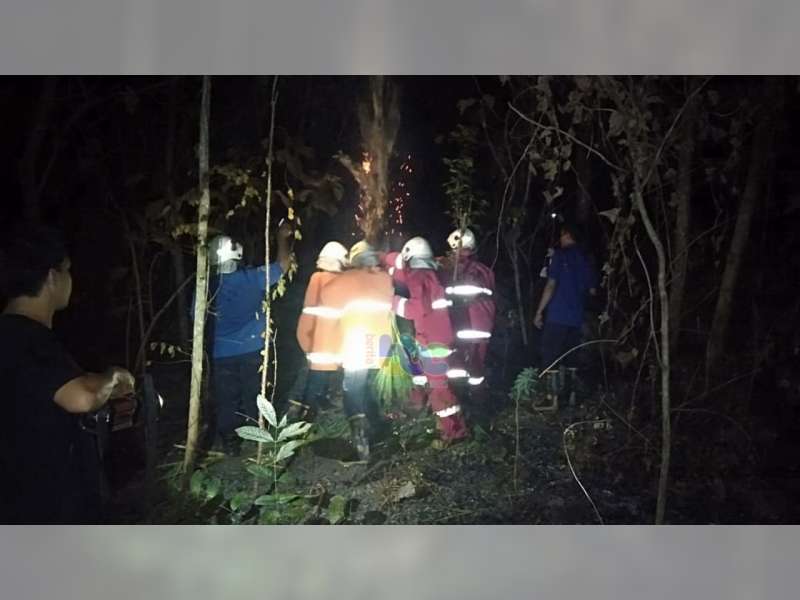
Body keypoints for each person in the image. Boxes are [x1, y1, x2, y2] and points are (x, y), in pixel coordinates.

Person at [0, 223, 135, 524]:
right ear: (52, 277)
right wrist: (114, 376)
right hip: (44, 510)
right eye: (68, 270)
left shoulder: (13, 337)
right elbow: (82, 397)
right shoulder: (27, 338)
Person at [200, 222, 292, 455]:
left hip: (220, 354)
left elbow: (196, 319)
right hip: (253, 349)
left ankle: (230, 441)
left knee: (226, 398)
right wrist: (282, 238)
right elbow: (283, 265)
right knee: (255, 392)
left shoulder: (204, 288)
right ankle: (259, 432)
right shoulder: (251, 278)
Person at [319, 240, 394, 461]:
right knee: (366, 385)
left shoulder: (346, 280)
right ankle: (377, 424)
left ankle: (361, 440)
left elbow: (328, 296)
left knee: (352, 389)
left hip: (356, 343)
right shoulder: (384, 278)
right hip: (380, 343)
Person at [390, 236, 468, 443]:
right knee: (430, 381)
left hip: (433, 341)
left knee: (439, 389)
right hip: (439, 336)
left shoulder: (418, 277)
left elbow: (416, 309)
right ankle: (439, 419)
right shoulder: (431, 274)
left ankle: (453, 431)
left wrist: (392, 301)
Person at [533, 222, 597, 407]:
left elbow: (551, 285)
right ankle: (571, 397)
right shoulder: (586, 259)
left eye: (562, 235)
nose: (560, 239)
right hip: (576, 318)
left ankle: (551, 399)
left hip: (557, 315)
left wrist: (539, 311)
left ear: (568, 235)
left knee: (550, 354)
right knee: (571, 357)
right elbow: (592, 290)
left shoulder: (561, 256)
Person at [289, 241, 349, 420]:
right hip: (326, 338)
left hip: (310, 334)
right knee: (318, 376)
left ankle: (297, 404)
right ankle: (307, 415)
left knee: (308, 371)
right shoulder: (337, 281)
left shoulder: (316, 278)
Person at [440, 228, 496, 403]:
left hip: (462, 323)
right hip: (483, 327)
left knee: (456, 365)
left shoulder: (449, 270)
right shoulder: (485, 270)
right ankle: (479, 400)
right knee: (477, 365)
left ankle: (458, 399)